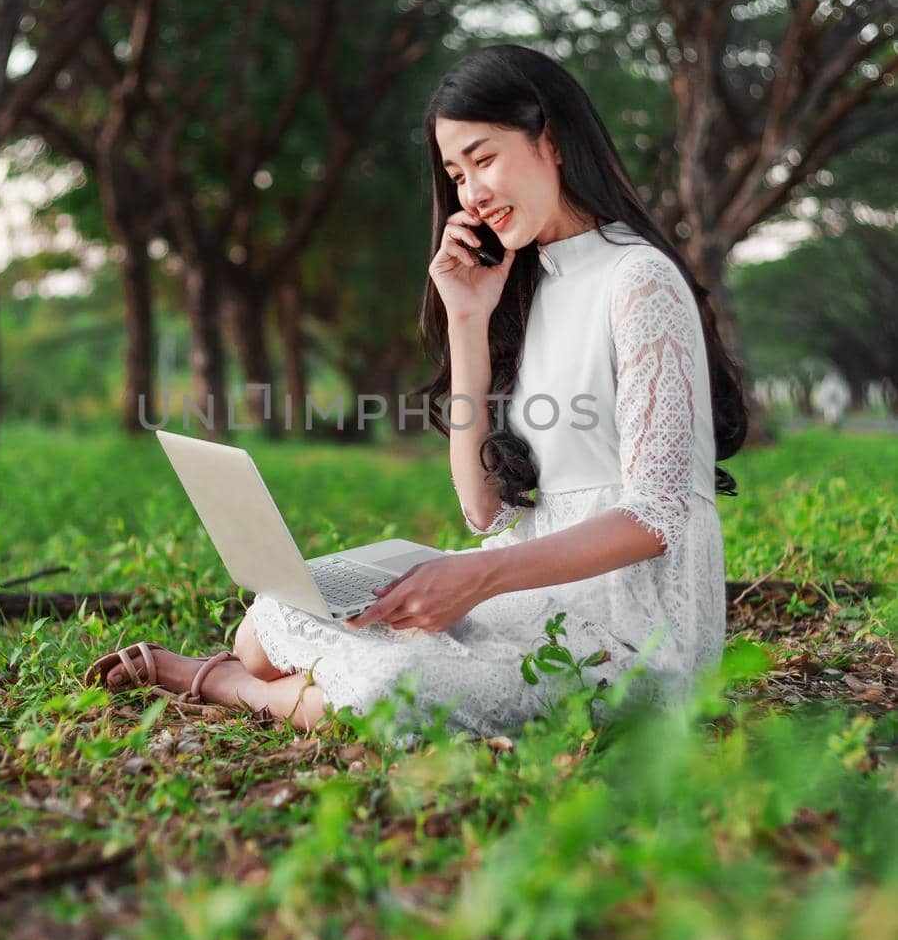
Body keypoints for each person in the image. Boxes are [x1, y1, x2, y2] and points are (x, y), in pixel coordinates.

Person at [85, 44, 748, 736]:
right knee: (270, 619)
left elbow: (658, 515)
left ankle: (217, 680)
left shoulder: (637, 280)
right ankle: (273, 667)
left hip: (630, 636)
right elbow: (482, 511)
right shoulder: (533, 286)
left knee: (387, 689)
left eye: (483, 158)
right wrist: (467, 321)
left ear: (551, 140)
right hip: (530, 594)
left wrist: (476, 580)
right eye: (456, 174)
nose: (471, 193)